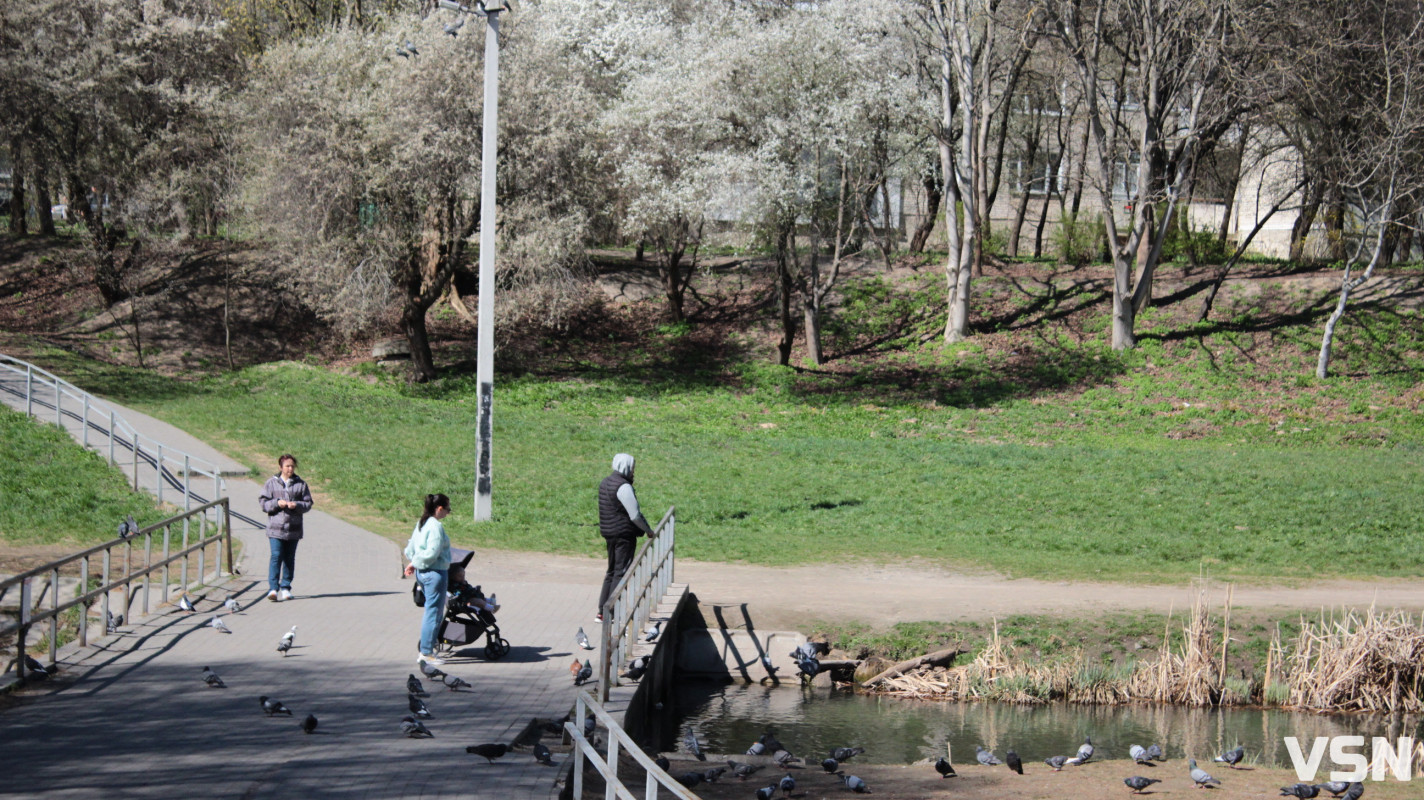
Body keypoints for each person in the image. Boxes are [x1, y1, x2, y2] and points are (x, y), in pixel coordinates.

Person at [596, 453, 654, 622]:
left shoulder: (605, 482)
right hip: (624, 535)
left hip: (609, 532)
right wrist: (648, 530)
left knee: (611, 571)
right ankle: (612, 612)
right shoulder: (623, 487)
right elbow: (634, 515)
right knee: (620, 573)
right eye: (633, 468)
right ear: (626, 467)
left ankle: (601, 611)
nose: (634, 472)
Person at [404, 493, 452, 666]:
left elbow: (410, 548)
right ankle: (426, 653)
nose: (448, 512)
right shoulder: (435, 527)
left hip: (422, 574)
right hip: (435, 573)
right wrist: (416, 563)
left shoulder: (421, 523)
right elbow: (433, 552)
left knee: (430, 611)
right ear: (439, 509)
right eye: (447, 509)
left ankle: (426, 648)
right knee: (434, 613)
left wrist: (413, 562)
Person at [259, 454, 313, 602]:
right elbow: (263, 503)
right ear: (280, 467)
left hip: (293, 529)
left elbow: (308, 504)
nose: (290, 469)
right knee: (276, 556)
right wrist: (277, 503)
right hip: (275, 528)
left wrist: (297, 505)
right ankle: (272, 589)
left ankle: (286, 587)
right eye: (287, 466)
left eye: (292, 466)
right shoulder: (271, 483)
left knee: (289, 558)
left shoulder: (301, 484)